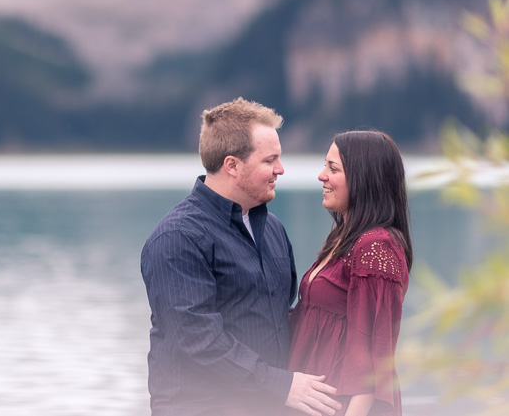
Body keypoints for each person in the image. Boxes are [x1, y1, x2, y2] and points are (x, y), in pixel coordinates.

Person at [141, 98, 342, 416]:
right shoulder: (178, 237)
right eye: (270, 160)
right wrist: (282, 385)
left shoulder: (272, 228)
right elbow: (197, 340)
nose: (281, 169)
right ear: (231, 165)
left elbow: (281, 318)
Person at [287, 130, 413, 416]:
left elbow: (373, 362)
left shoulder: (376, 248)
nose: (321, 176)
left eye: (333, 168)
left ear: (364, 179)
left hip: (342, 406)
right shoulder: (344, 239)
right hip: (311, 398)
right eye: (325, 165)